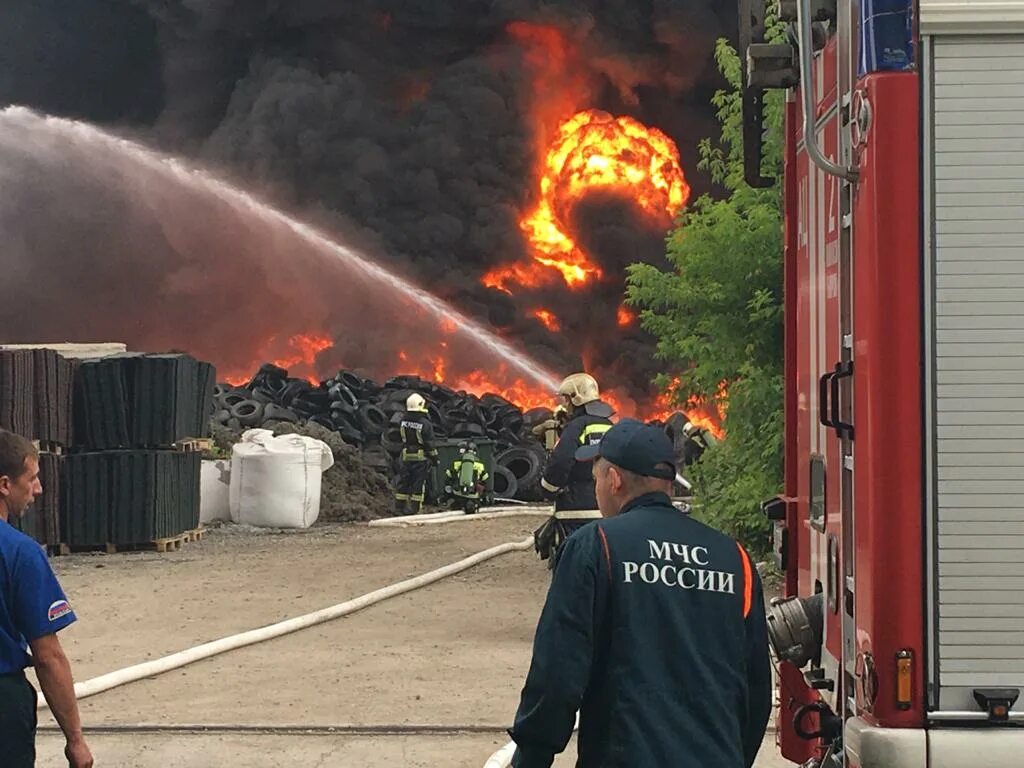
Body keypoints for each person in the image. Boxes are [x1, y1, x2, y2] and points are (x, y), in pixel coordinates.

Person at [508, 419, 772, 768]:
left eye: (597, 478)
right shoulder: (734, 557)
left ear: (614, 480)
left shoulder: (595, 546)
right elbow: (756, 688)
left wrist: (530, 758)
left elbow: (557, 674)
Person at [0, 431, 93, 768]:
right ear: (5, 485)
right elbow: (48, 656)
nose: (38, 489)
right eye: (33, 478)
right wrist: (76, 741)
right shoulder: (19, 552)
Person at [534, 373, 615, 566]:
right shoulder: (609, 426)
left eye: (567, 399)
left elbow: (560, 461)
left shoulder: (577, 426)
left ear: (576, 398)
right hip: (606, 509)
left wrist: (548, 489)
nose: (565, 404)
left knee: (572, 567)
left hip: (575, 512)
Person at [394, 393, 437, 515]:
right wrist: (435, 458)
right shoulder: (425, 423)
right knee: (417, 484)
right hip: (420, 456)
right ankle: (414, 509)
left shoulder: (402, 421)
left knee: (404, 482)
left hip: (406, 455)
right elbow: (429, 443)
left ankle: (399, 507)